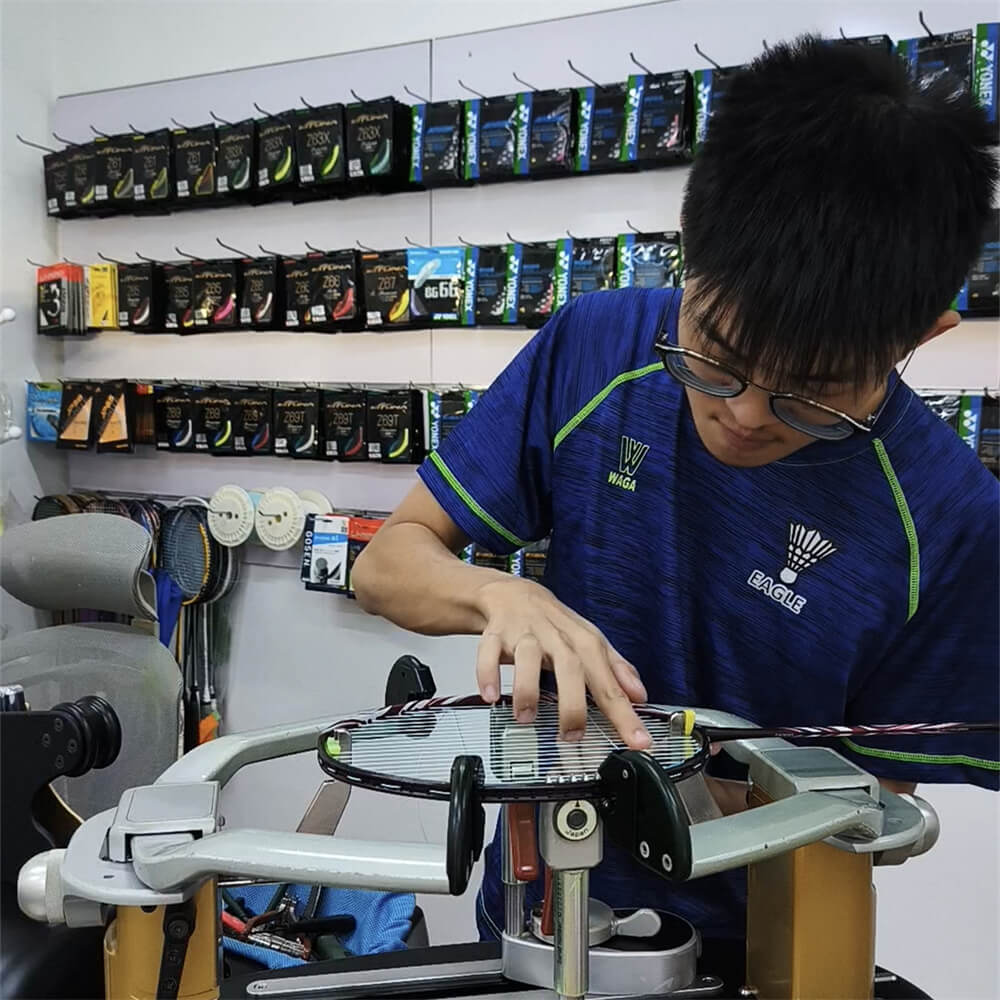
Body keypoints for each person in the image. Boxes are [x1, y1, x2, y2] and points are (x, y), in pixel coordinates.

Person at [352, 35, 999, 951]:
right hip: (532, 923)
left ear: (920, 337)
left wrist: (662, 780)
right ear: (690, 256)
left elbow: (878, 807)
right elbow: (387, 563)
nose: (743, 414)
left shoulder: (948, 517)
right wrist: (503, 593)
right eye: (716, 359)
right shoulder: (595, 347)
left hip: (764, 951)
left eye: (813, 393)